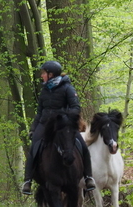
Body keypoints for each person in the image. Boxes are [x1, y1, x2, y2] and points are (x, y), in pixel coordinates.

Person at [21, 60, 96, 195]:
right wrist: (33, 128)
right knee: (34, 147)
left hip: (63, 125)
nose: (41, 76)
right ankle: (28, 181)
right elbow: (40, 112)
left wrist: (63, 117)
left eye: (43, 73)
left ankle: (88, 177)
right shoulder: (44, 91)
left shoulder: (68, 88)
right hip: (44, 124)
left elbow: (75, 108)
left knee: (83, 147)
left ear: (51, 74)